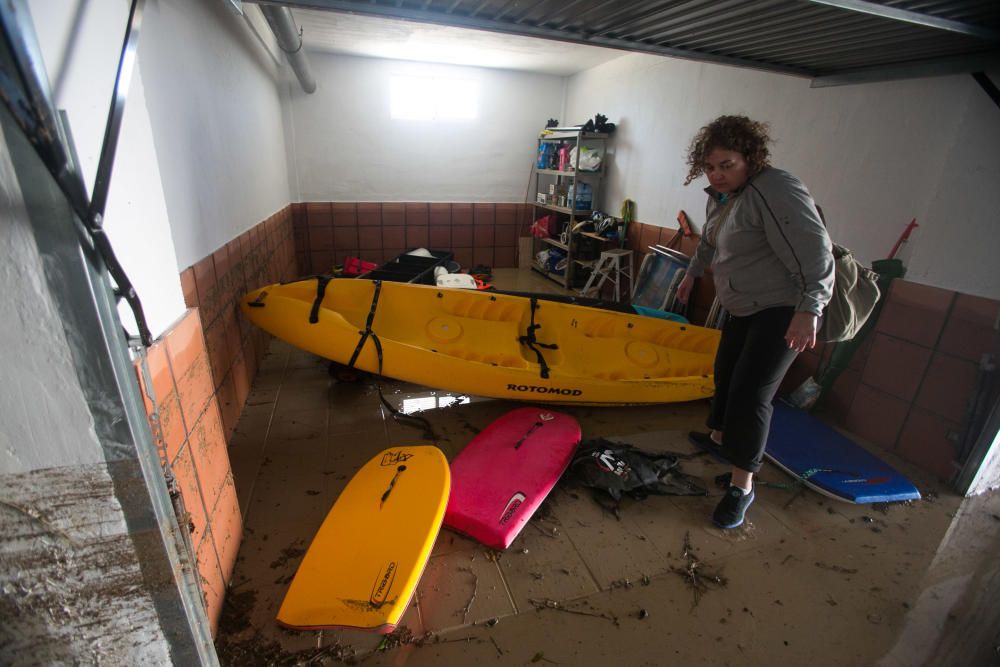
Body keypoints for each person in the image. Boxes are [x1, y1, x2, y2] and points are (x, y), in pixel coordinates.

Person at [675, 115, 834, 529]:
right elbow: (710, 240)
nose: (716, 174)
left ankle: (742, 487)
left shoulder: (776, 189)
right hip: (743, 303)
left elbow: (816, 251)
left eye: (726, 164)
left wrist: (810, 308)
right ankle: (721, 440)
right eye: (710, 166)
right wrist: (692, 274)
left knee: (751, 394)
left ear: (751, 157)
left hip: (783, 308)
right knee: (726, 374)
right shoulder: (723, 196)